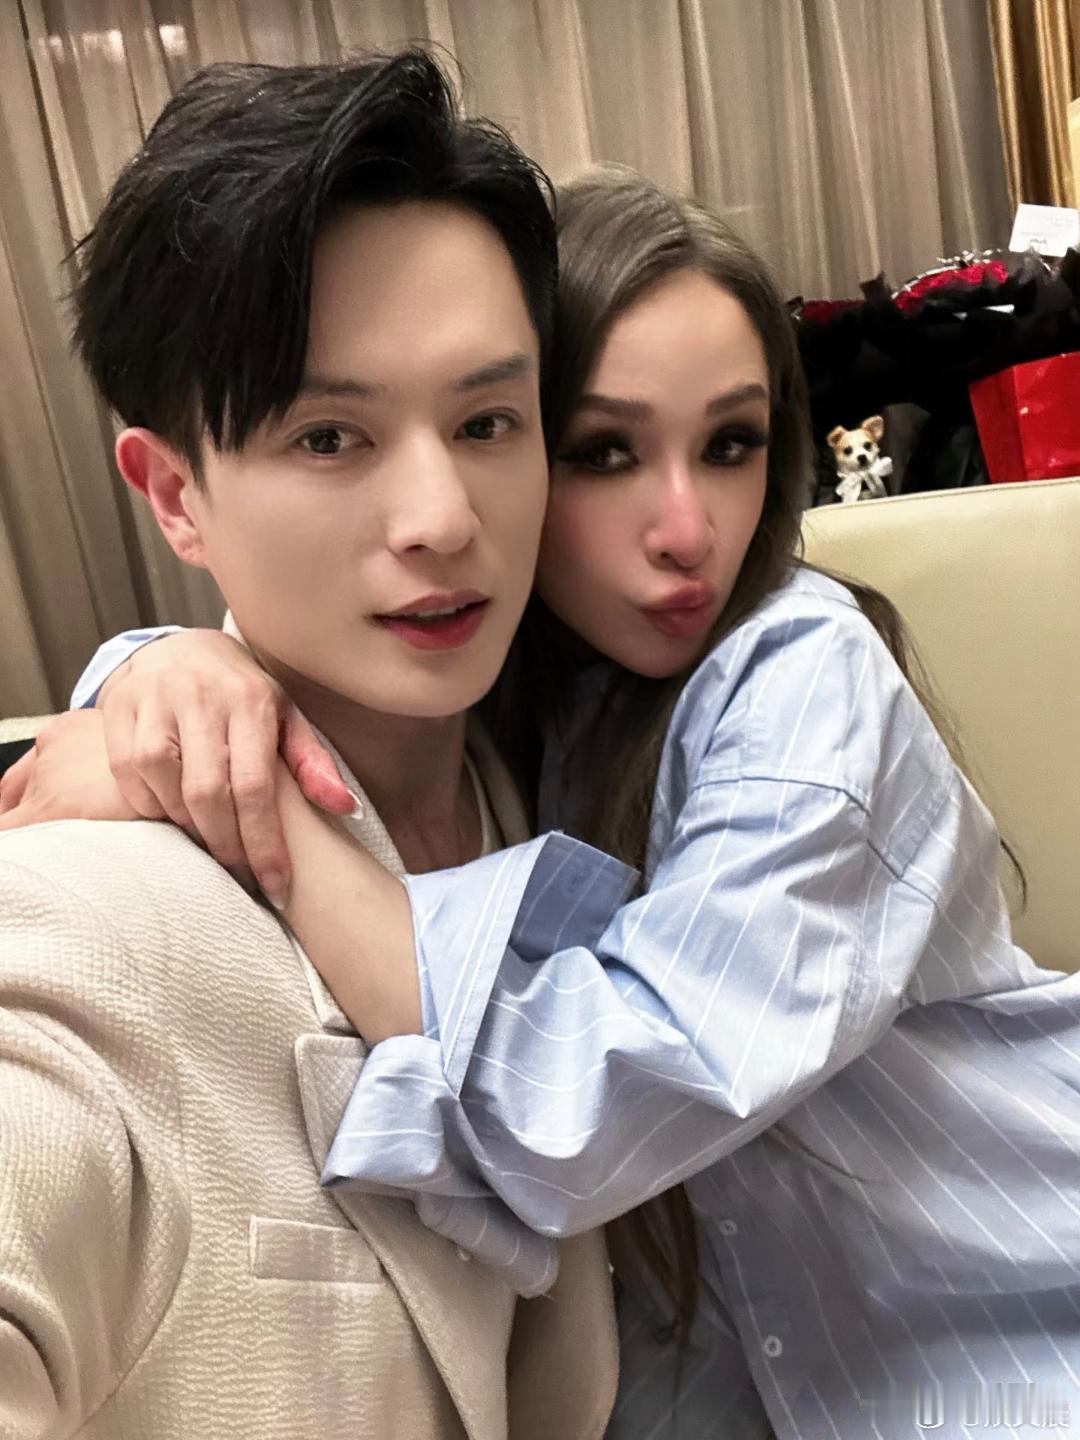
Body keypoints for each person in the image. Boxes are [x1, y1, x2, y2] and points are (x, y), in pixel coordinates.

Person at [10, 172, 1080, 1440]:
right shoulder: (514, 685)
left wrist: (256, 809)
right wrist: (161, 673)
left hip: (1006, 1340)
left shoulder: (802, 672)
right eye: (604, 452)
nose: (687, 531)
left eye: (732, 444)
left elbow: (575, 1105)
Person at [0, 53, 620, 1440]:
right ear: (176, 495)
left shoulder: (571, 756)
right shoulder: (70, 929)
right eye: (331, 436)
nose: (442, 518)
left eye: (487, 422)